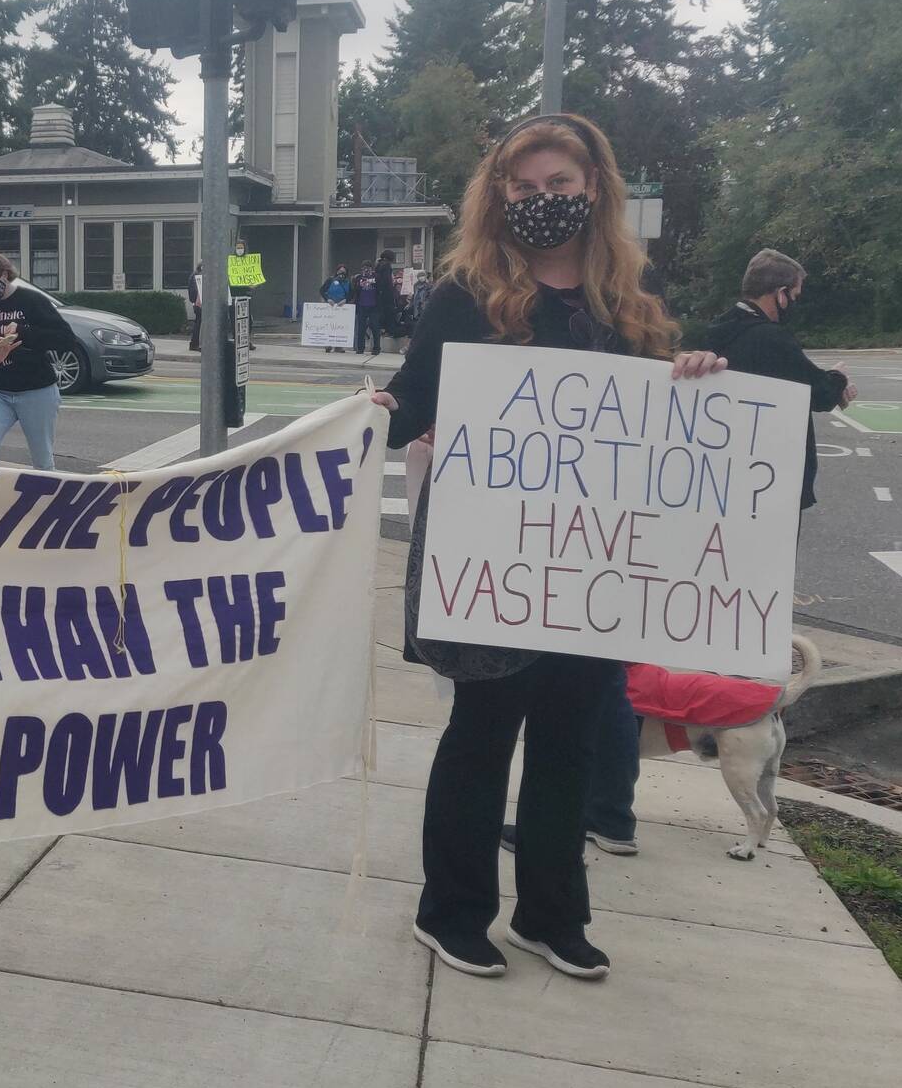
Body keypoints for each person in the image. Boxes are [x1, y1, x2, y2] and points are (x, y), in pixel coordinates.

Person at [375, 112, 726, 983]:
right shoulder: (464, 293)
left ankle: (551, 913)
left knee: (570, 743)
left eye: (557, 187)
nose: (540, 202)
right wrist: (374, 413)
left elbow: (661, 430)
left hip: (587, 567)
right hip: (488, 561)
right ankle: (452, 911)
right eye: (522, 189)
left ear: (594, 189)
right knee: (482, 735)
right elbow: (412, 404)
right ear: (499, 196)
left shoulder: (630, 303)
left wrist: (696, 376)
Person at [693, 248, 856, 515]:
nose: (795, 303)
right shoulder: (772, 339)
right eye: (795, 296)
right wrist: (838, 377)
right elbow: (819, 393)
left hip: (721, 468)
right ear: (781, 295)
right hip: (770, 476)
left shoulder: (716, 331)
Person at [0, 250, 76, 469]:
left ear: (5, 275)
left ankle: (49, 498)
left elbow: (65, 339)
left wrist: (23, 332)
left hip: (36, 391)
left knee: (42, 459)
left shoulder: (31, 300)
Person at [319, 264, 353, 352]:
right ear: (337, 271)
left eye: (344, 272)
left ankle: (339, 346)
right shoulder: (330, 280)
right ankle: (328, 344)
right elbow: (322, 290)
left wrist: (346, 300)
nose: (341, 273)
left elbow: (352, 294)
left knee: (340, 327)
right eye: (340, 271)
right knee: (330, 326)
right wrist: (328, 299)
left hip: (342, 307)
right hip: (331, 306)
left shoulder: (348, 282)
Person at [354, 259, 384, 356]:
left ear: (371, 268)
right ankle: (360, 348)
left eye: (368, 268)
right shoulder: (358, 278)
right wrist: (360, 283)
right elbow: (356, 290)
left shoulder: (376, 277)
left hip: (374, 306)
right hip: (362, 305)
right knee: (361, 328)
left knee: (375, 327)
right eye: (364, 268)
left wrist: (373, 281)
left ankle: (376, 348)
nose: (366, 270)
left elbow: (381, 288)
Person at [187, 260, 203, 351]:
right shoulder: (197, 276)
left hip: (198, 303)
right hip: (199, 304)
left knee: (198, 323)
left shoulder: (195, 275)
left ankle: (195, 343)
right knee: (199, 324)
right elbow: (194, 291)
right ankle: (195, 343)